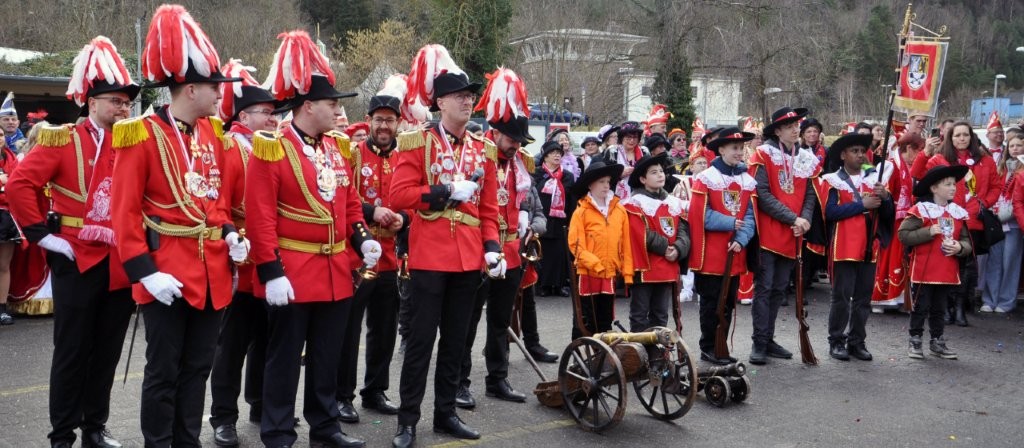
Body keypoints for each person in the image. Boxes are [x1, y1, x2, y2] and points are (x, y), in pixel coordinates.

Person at [110, 5, 249, 446]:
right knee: (163, 371)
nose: (220, 94)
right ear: (191, 89)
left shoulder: (212, 134)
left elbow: (216, 201)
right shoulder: (140, 134)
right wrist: (145, 273)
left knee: (198, 368)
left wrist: (230, 232)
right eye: (214, 87)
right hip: (165, 271)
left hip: (211, 272)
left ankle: (187, 441)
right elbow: (123, 212)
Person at [7, 35, 139, 448]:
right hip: (75, 256)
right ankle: (62, 434)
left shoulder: (131, 143)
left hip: (119, 260)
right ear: (92, 102)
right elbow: (20, 186)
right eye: (115, 101)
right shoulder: (62, 139)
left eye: (126, 103)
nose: (123, 108)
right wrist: (44, 237)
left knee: (107, 351)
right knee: (71, 352)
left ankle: (95, 427)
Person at [249, 31, 377, 448]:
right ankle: (278, 432)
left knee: (327, 355)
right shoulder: (272, 148)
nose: (338, 111)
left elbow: (350, 204)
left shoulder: (336, 148)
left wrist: (362, 240)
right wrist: (271, 272)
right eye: (332, 104)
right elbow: (260, 218)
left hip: (335, 270)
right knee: (284, 358)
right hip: (294, 271)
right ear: (307, 106)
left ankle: (324, 426)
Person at [389, 44, 502, 447]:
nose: (467, 102)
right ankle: (407, 420)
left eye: (470, 96)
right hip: (429, 256)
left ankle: (446, 414)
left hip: (469, 258)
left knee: (456, 343)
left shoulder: (484, 149)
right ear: (439, 103)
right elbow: (399, 196)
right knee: (421, 343)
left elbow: (489, 210)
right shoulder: (416, 142)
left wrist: (492, 247)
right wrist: (444, 191)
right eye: (459, 96)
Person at [207, 58, 279, 447]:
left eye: (273, 113)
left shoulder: (270, 147)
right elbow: (219, 203)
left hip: (267, 258)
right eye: (265, 112)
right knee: (231, 345)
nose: (272, 119)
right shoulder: (230, 146)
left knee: (266, 338)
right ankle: (223, 417)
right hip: (238, 258)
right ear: (244, 115)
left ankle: (261, 403)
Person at [458, 67, 536, 408]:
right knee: (468, 320)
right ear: (495, 132)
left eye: (519, 140)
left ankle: (497, 378)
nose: (516, 145)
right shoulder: (477, 156)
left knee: (501, 320)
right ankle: (459, 382)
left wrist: (528, 223)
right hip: (480, 250)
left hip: (512, 251)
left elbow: (526, 202)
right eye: (511, 139)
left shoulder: (522, 163)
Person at [334, 76, 409, 426]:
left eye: (389, 120)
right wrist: (371, 211)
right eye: (378, 120)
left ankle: (376, 390)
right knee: (349, 330)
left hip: (391, 258)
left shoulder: (405, 158)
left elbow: (411, 202)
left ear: (398, 123)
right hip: (356, 255)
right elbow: (342, 201)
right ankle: (342, 396)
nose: (383, 126)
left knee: (385, 328)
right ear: (368, 121)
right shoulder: (351, 154)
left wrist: (403, 219)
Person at [746, 107, 821, 365]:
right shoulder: (764, 154)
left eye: (797, 125)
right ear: (777, 131)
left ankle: (768, 339)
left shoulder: (806, 158)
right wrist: (793, 218)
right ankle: (759, 341)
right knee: (765, 288)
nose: (795, 129)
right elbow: (762, 193)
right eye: (789, 126)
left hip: (793, 234)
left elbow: (810, 194)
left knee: (779, 289)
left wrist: (805, 220)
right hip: (769, 232)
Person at [910, 121, 1002, 326]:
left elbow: (996, 187)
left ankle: (960, 307)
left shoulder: (986, 161)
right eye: (957, 135)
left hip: (974, 219)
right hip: (947, 218)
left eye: (965, 135)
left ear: (972, 137)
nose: (962, 138)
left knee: (967, 265)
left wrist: (984, 203)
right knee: (947, 260)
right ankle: (945, 307)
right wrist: (925, 153)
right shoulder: (939, 159)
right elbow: (917, 174)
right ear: (950, 138)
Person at [816, 134, 894, 361]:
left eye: (863, 151)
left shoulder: (874, 180)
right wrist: (862, 205)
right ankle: (836, 341)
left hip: (869, 246)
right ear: (843, 155)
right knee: (841, 297)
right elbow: (830, 212)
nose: (860, 155)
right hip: (844, 246)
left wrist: (885, 198)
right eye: (855, 151)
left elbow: (887, 214)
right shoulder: (832, 180)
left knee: (863, 298)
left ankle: (857, 341)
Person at [688, 128, 757, 365]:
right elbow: (700, 215)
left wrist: (741, 239)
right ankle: (709, 347)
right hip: (711, 255)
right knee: (711, 305)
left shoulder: (747, 181)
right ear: (721, 150)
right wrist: (729, 222)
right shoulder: (706, 178)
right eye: (734, 148)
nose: (739, 152)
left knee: (727, 304)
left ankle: (722, 346)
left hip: (734, 252)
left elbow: (750, 216)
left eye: (742, 148)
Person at [898, 165, 972, 359]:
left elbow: (967, 242)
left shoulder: (957, 212)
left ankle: (937, 341)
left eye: (954, 184)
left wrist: (960, 247)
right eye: (947, 184)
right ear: (934, 188)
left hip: (947, 270)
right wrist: (928, 232)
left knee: (940, 309)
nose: (953, 188)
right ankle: (915, 340)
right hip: (923, 270)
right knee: (920, 307)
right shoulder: (921, 210)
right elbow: (903, 235)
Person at [623, 153, 689, 332]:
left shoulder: (673, 203)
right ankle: (639, 348)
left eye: (661, 171)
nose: (660, 175)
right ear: (643, 179)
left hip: (668, 266)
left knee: (660, 315)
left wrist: (678, 248)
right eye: (654, 172)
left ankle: (658, 349)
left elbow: (682, 230)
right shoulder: (634, 204)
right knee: (640, 314)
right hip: (645, 267)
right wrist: (666, 247)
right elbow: (640, 232)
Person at [567, 161, 632, 338]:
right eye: (601, 182)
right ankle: (581, 350)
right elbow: (575, 244)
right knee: (586, 317)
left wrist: (627, 272)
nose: (606, 185)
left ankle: (602, 351)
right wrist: (594, 264)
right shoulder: (581, 211)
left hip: (609, 272)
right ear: (590, 185)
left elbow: (626, 243)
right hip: (588, 272)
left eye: (608, 181)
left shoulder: (619, 210)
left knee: (606, 318)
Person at [871, 133, 924, 312]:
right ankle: (879, 298)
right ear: (909, 148)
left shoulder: (905, 167)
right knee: (887, 256)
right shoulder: (891, 166)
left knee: (900, 258)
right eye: (919, 150)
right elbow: (883, 194)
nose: (920, 155)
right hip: (891, 219)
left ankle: (898, 296)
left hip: (903, 219)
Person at [514, 184, 559, 362]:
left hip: (526, 249)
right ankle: (499, 347)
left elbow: (540, 214)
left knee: (528, 300)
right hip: (504, 247)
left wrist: (533, 228)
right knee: (503, 303)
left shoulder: (529, 184)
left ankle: (533, 345)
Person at [982, 134, 1024, 313]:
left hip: (1014, 224)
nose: (1015, 149)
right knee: (994, 262)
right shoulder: (1001, 168)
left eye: (1019, 145)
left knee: (1010, 262)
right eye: (1012, 145)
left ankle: (1006, 301)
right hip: (997, 222)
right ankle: (989, 299)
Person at [533, 140, 574, 297]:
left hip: (560, 220)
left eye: (559, 153)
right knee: (543, 252)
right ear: (545, 156)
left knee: (559, 253)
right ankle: (543, 285)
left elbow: (571, 198)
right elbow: (533, 194)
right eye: (553, 153)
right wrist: (549, 181)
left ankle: (559, 285)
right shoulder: (537, 173)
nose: (557, 155)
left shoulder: (567, 176)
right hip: (542, 218)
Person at [0, 122, 20, 326]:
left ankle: (2, 309)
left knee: (3, 265)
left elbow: (17, 182)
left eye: (0, 135)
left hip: (6, 216)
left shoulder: (11, 157)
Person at [608, 121, 648, 198]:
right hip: (617, 195)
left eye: (635, 137)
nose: (632, 140)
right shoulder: (613, 152)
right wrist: (619, 174)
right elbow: (606, 175)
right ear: (622, 138)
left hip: (640, 193)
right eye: (628, 137)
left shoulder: (644, 151)